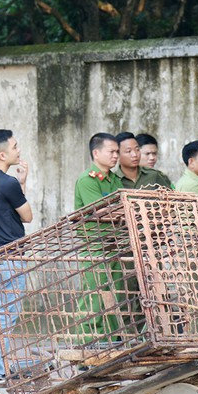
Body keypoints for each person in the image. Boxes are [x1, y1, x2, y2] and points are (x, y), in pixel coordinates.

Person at [0, 130, 33, 379]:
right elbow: (27, 216)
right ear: (2, 154)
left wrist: (20, 182)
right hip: (11, 255)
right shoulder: (7, 182)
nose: (18, 150)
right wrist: (21, 183)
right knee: (5, 317)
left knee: (3, 316)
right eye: (14, 146)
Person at [74, 133, 125, 341]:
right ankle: (86, 348)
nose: (115, 156)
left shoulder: (114, 179)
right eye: (111, 152)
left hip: (114, 246)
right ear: (96, 153)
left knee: (114, 299)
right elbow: (104, 212)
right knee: (94, 299)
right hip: (94, 246)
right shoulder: (88, 180)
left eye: (116, 152)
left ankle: (112, 343)